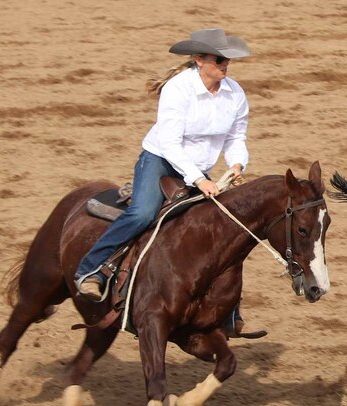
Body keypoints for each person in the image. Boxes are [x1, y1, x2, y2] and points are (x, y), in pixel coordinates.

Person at [74, 28, 251, 311]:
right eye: (219, 60)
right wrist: (198, 180)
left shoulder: (235, 93)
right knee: (143, 213)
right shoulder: (179, 89)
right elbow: (169, 143)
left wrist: (237, 163)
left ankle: (226, 306)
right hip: (161, 160)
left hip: (197, 167)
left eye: (227, 60)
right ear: (198, 60)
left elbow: (236, 136)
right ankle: (92, 268)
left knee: (220, 226)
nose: (225, 65)